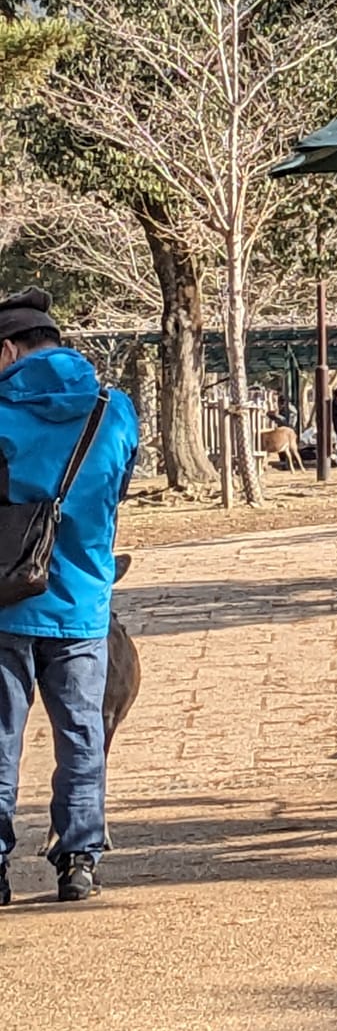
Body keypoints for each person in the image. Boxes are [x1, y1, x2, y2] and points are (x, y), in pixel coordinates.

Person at [0, 287, 142, 908]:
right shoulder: (114, 408)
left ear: (8, 350)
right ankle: (80, 859)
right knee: (83, 734)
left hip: (6, 598)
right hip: (83, 599)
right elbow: (117, 489)